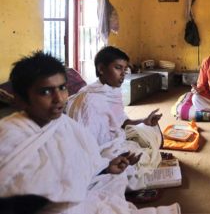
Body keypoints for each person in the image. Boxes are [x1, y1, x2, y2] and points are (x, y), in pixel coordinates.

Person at [0, 51, 143, 213]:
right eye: (45, 92)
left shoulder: (66, 125)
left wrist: (106, 168)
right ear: (20, 99)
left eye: (62, 88)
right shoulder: (8, 135)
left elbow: (83, 165)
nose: (59, 98)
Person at [66, 46, 163, 190]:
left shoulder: (113, 91)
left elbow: (121, 121)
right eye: (118, 68)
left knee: (152, 130)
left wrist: (144, 121)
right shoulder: (90, 100)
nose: (123, 74)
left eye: (125, 69)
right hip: (99, 149)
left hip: (114, 139)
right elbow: (87, 144)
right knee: (133, 166)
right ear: (101, 69)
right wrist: (111, 159)